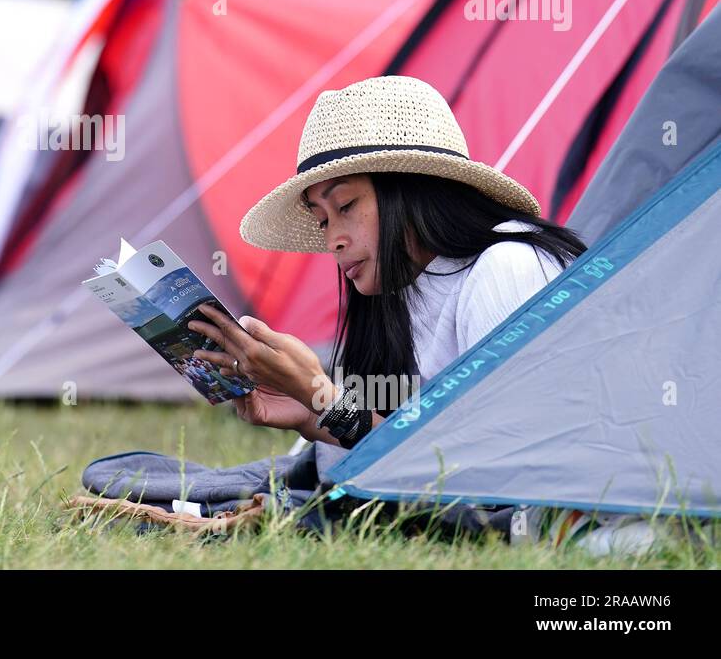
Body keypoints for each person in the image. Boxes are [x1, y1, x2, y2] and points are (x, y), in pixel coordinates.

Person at [189, 75, 588, 486]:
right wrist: (311, 412)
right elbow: (411, 453)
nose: (333, 240)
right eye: (322, 219)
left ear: (411, 190)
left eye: (345, 205)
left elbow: (499, 468)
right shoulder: (404, 288)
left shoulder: (508, 268)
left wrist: (320, 396)